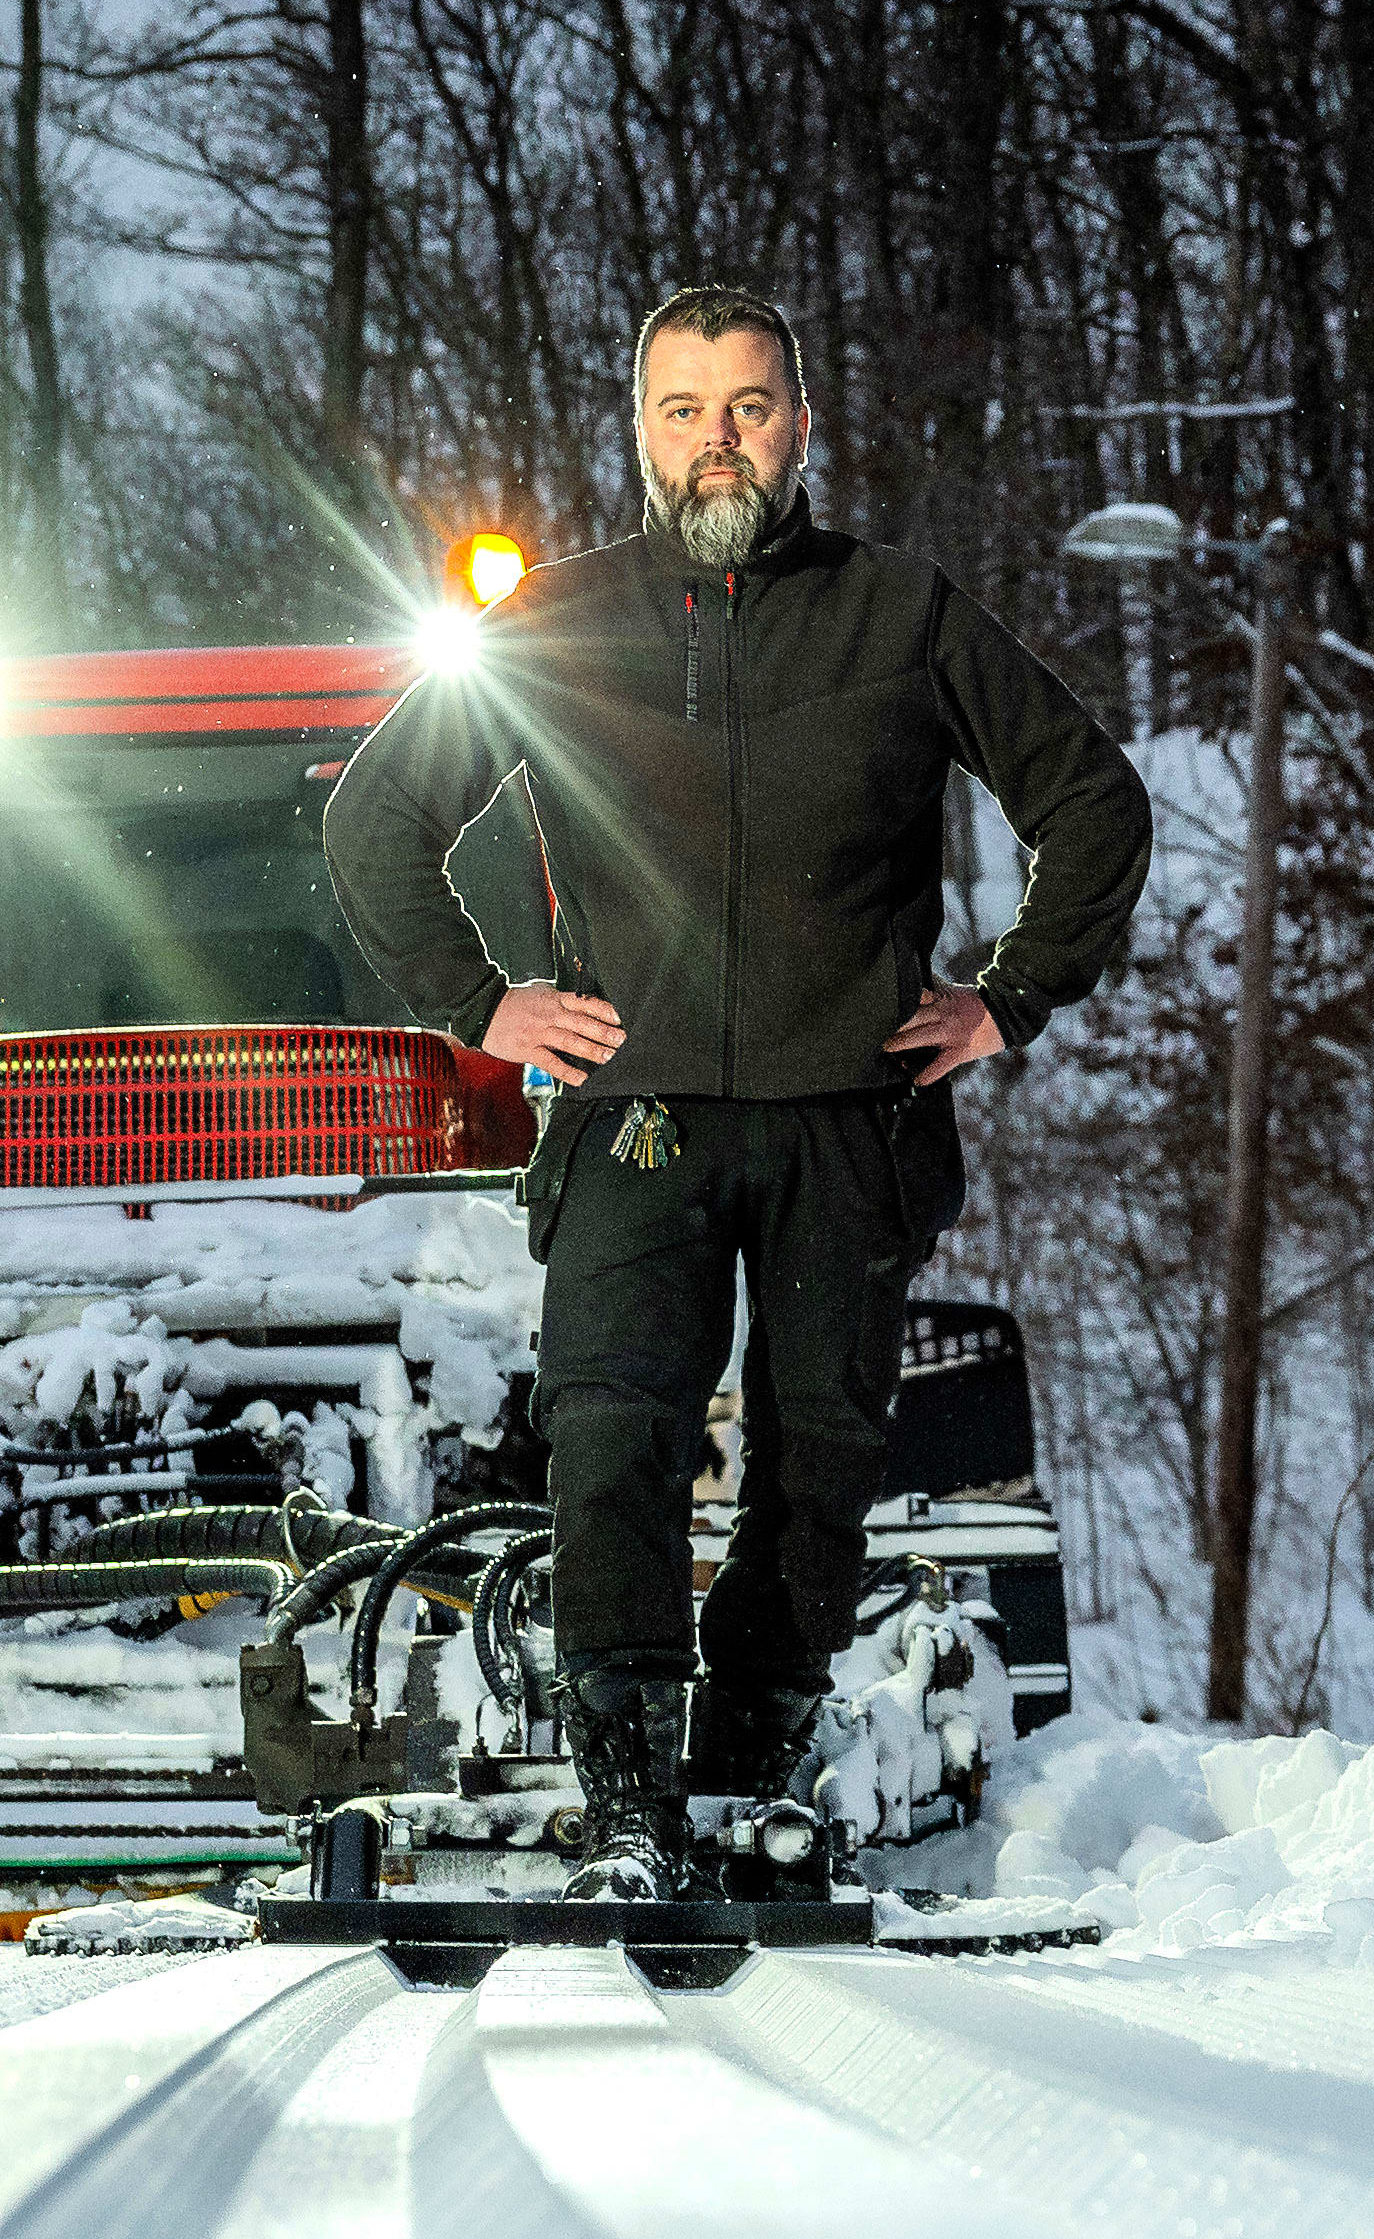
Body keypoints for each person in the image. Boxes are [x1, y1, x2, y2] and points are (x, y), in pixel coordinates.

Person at [323, 284, 1155, 1899]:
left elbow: (1095, 806)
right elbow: (374, 823)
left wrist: (1010, 997)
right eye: (684, 408)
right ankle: (627, 1789)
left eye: (749, 405)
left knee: (817, 1452)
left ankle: (745, 1768)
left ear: (799, 422)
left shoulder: (898, 612)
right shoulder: (553, 624)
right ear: (639, 430)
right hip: (633, 1124)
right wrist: (487, 1003)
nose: (718, 439)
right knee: (611, 1440)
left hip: (852, 1117)